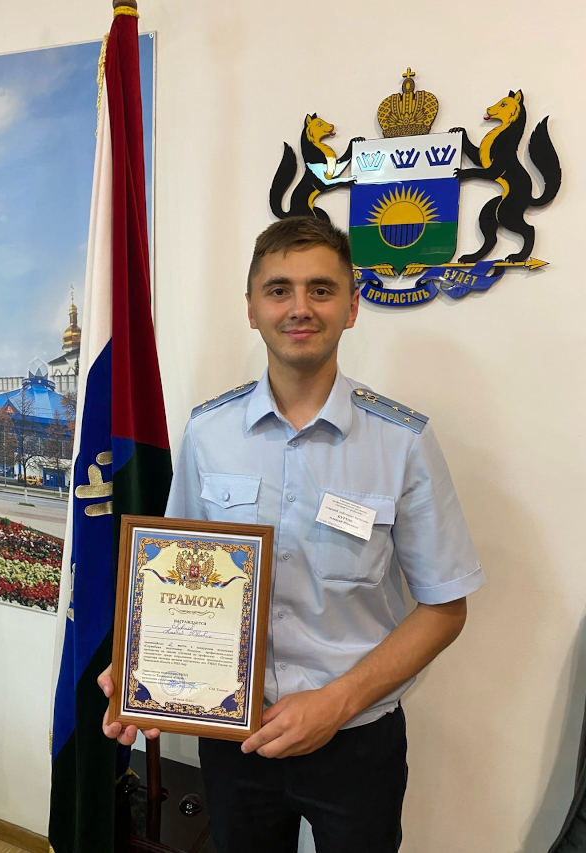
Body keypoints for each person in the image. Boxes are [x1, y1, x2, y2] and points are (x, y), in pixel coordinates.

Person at [99, 216, 484, 853]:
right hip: (235, 737)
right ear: (251, 309)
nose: (299, 307)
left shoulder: (402, 442)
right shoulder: (207, 434)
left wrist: (335, 703)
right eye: (278, 290)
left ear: (352, 307)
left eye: (321, 289)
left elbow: (446, 607)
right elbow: (172, 577)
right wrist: (143, 669)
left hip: (356, 741)